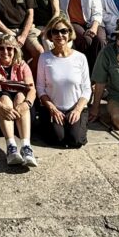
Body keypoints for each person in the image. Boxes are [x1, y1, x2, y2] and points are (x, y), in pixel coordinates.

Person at [36, 14, 92, 149]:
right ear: (50, 35)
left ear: (69, 33)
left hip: (75, 108)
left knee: (76, 141)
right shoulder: (44, 58)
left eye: (63, 31)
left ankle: (75, 125)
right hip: (53, 108)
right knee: (57, 139)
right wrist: (52, 109)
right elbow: (40, 88)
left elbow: (87, 89)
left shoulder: (80, 58)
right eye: (55, 31)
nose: (59, 35)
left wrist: (78, 110)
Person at [0, 33, 37, 167]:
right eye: (1, 48)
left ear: (15, 50)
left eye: (9, 48)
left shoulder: (22, 65)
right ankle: (11, 147)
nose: (5, 52)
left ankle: (26, 147)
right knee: (5, 98)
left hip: (20, 113)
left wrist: (26, 104)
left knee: (20, 96)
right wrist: (2, 107)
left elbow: (32, 90)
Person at [19, 0, 59, 65]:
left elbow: (56, 11)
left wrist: (48, 28)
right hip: (35, 26)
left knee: (47, 41)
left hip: (52, 22)